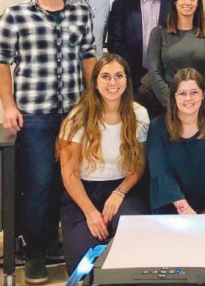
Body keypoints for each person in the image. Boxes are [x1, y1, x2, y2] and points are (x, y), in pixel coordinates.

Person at [0, 0, 97, 283]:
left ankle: (53, 242)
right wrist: (8, 105)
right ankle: (34, 252)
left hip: (74, 115)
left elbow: (89, 56)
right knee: (38, 184)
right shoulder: (16, 15)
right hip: (34, 115)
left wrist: (92, 101)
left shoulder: (81, 13)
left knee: (68, 181)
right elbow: (0, 61)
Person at [58, 54, 149, 275]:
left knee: (136, 246)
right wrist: (90, 212)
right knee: (83, 266)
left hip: (124, 189)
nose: (112, 83)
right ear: (96, 82)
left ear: (127, 80)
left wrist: (119, 192)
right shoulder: (77, 117)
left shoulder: (139, 114)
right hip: (83, 192)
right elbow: (69, 173)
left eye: (119, 76)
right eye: (105, 77)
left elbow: (139, 164)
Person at [147, 68, 205, 213]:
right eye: (182, 93)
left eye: (194, 92)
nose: (188, 98)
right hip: (169, 203)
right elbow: (160, 173)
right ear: (173, 97)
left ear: (203, 94)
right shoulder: (157, 126)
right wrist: (184, 208)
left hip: (203, 204)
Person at [107, 0, 172, 118]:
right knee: (133, 130)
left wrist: (154, 76)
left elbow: (180, 42)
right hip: (133, 85)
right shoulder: (121, 4)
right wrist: (140, 76)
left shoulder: (177, 3)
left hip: (168, 85)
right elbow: (115, 44)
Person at [148, 0, 205, 107]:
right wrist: (172, 102)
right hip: (169, 106)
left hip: (201, 105)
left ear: (198, 3)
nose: (188, 2)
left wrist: (199, 99)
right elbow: (154, 72)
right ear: (174, 1)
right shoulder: (158, 33)